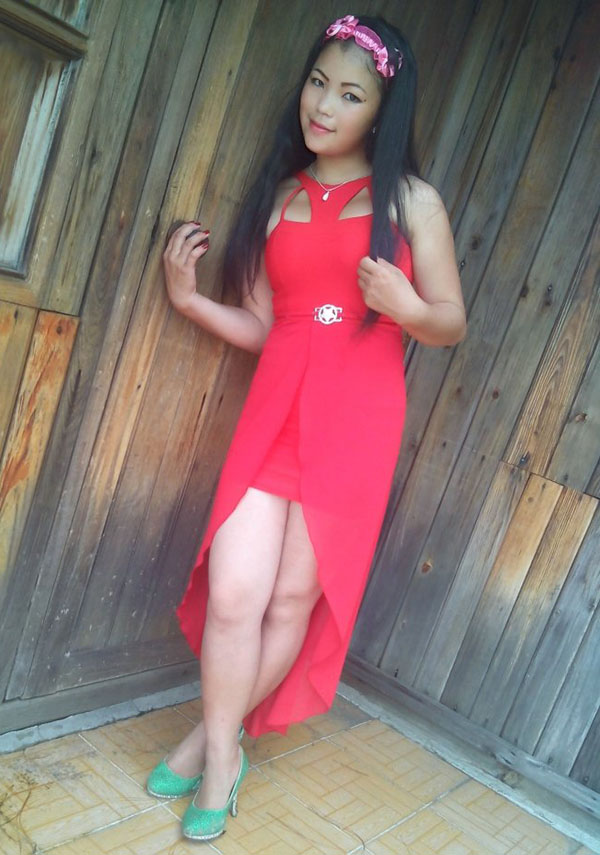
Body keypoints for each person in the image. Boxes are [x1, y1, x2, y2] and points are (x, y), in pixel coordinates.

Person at [148, 12, 466, 842]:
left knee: (291, 598)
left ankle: (211, 749)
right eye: (318, 83)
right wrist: (190, 302)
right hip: (276, 412)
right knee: (235, 594)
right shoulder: (281, 196)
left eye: (351, 94)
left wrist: (407, 306)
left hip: (357, 419)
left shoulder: (411, 202)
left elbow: (451, 321)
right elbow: (266, 325)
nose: (324, 105)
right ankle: (223, 751)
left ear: (383, 109)